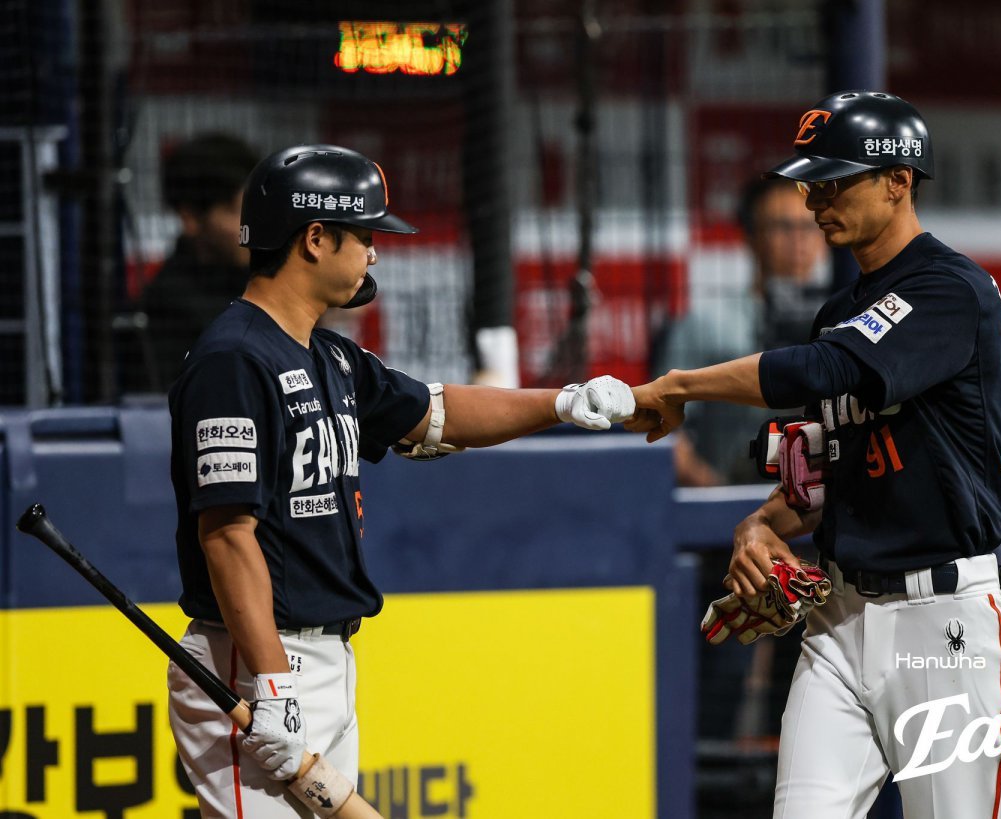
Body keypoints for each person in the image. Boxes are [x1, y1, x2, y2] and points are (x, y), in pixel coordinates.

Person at [165, 144, 635, 817]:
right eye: (364, 235)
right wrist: (271, 683)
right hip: (252, 660)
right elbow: (227, 536)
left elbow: (437, 412)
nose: (375, 253)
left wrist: (563, 402)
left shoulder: (329, 354)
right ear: (315, 238)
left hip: (321, 658)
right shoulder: (233, 359)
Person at [629, 91, 1001, 818]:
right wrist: (761, 524)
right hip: (839, 621)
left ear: (898, 181)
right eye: (811, 183)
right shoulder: (840, 313)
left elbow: (831, 370)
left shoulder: (951, 288)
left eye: (836, 181)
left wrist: (680, 385)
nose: (817, 200)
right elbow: (819, 465)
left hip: (944, 624)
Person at [655, 177, 827, 487]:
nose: (798, 240)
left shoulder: (841, 322)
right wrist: (718, 493)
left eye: (809, 226)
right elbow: (663, 426)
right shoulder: (706, 323)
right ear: (751, 235)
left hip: (818, 502)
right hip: (728, 495)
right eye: (783, 227)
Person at [138, 133, 260, 388]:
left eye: (257, 208)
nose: (254, 225)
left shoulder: (266, 279)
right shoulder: (168, 307)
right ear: (190, 218)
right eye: (236, 211)